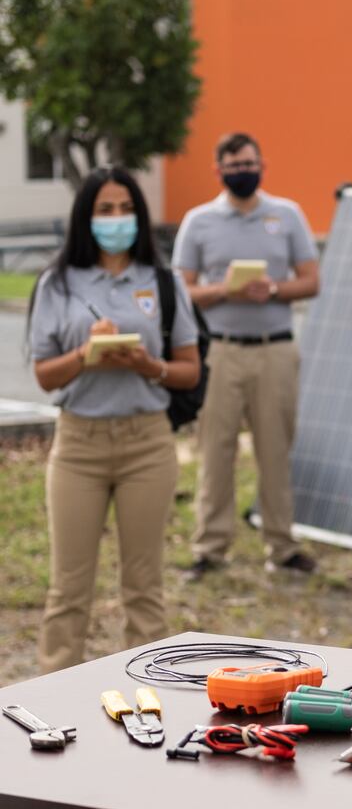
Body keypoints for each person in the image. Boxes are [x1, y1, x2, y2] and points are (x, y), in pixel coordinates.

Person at [29, 166, 200, 673]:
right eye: (105, 209)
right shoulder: (56, 283)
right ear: (86, 217)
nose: (116, 219)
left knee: (144, 587)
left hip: (147, 442)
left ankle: (148, 698)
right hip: (78, 444)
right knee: (68, 588)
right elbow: (44, 375)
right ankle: (50, 702)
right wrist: (88, 353)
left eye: (126, 208)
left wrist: (147, 365)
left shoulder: (163, 281)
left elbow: (188, 371)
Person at [172, 132, 320, 578]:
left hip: (274, 348)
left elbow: (311, 281)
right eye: (234, 166)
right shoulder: (198, 222)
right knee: (215, 450)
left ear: (263, 165)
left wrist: (272, 289)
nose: (243, 172)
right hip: (219, 351)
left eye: (249, 164)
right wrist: (225, 290)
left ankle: (282, 546)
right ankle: (210, 548)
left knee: (275, 450)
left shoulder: (287, 215)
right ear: (219, 172)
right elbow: (182, 289)